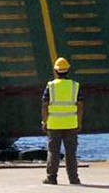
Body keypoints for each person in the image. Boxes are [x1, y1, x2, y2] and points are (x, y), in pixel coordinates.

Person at [42, 57, 83, 185]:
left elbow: (44, 105)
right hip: (71, 123)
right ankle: (73, 179)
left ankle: (51, 178)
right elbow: (80, 106)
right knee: (71, 152)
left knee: (53, 152)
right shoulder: (75, 86)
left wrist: (44, 121)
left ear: (56, 71)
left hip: (54, 124)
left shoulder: (50, 86)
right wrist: (79, 122)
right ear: (68, 70)